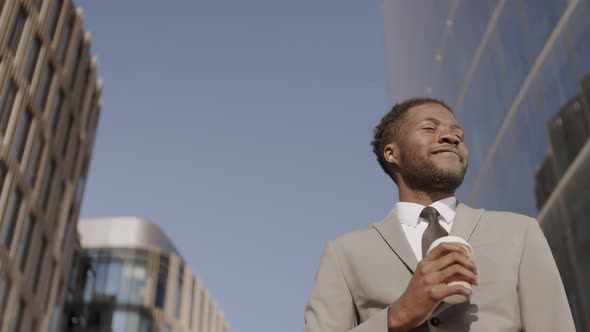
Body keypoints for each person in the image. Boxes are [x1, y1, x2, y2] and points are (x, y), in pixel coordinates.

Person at [303, 98, 575, 331]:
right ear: (391, 152)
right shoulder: (344, 253)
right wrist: (396, 316)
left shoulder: (520, 232)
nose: (451, 137)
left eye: (458, 134)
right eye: (430, 128)